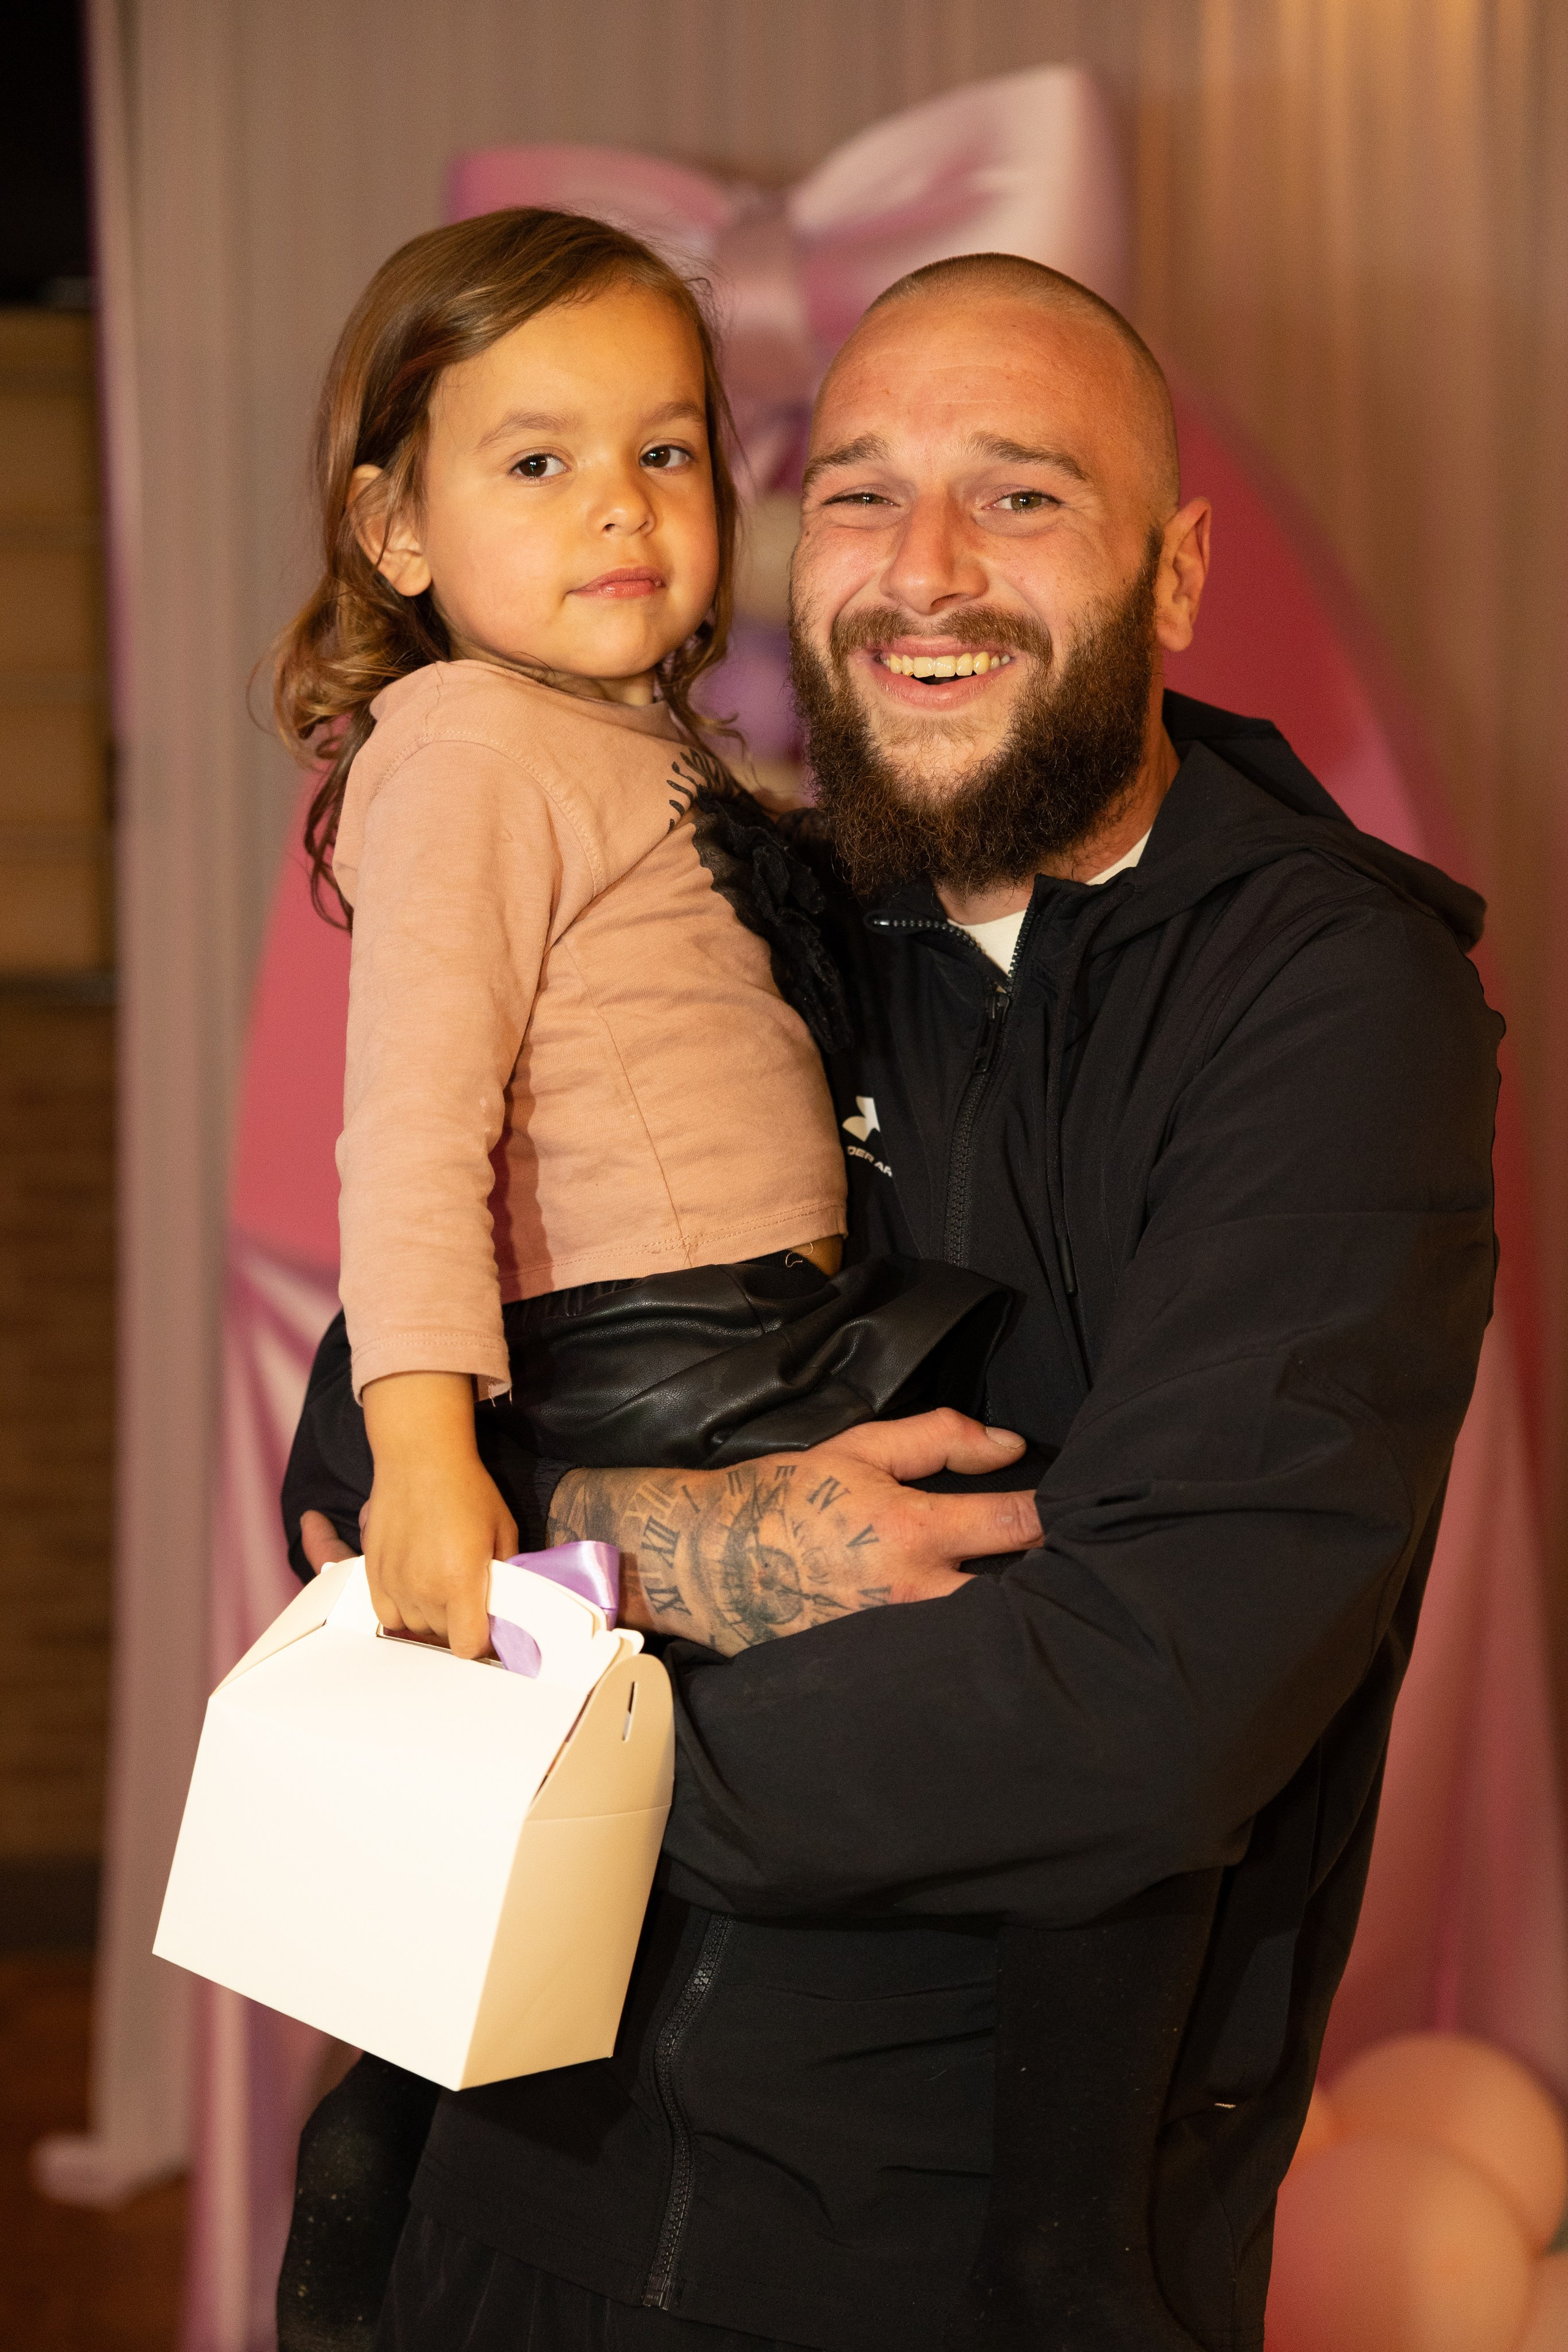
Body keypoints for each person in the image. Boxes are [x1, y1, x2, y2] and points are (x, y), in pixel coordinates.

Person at [302, 254, 1501, 2351]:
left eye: (1019, 496)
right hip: (521, 2188)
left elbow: (1144, 1702)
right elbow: (357, 1440)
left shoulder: (1326, 1002)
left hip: (968, 2256)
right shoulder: (745, 900)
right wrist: (693, 1546)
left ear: (1178, 568)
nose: (921, 573)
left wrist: (507, 1703)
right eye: (858, 495)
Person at [272, 209, 1038, 2352]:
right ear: (392, 526)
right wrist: (426, 1443)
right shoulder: (464, 749)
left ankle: (407, 2147)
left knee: (573, 1904)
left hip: (752, 1342)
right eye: (534, 461)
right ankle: (392, 2183)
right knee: (570, 1906)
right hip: (643, 1369)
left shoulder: (655, 751)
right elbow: (411, 1127)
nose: (619, 499)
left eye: (671, 450)